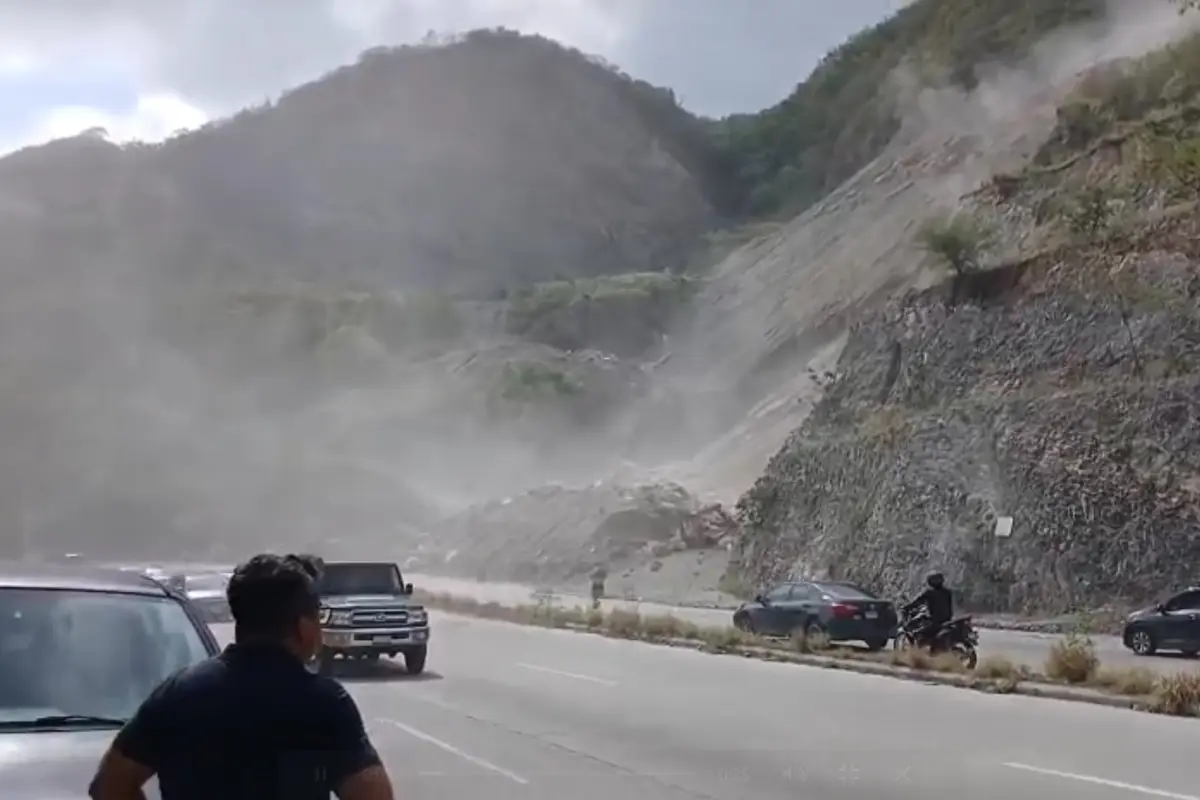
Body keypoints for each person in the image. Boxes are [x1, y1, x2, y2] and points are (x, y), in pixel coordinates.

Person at [87, 553, 394, 800]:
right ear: (303, 627)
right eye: (318, 617)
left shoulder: (179, 693)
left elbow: (109, 786)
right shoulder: (324, 703)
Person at [903, 572, 954, 650]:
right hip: (947, 620)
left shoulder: (930, 593)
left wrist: (907, 607)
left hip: (935, 621)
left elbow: (917, 601)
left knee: (919, 633)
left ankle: (923, 651)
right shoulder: (947, 592)